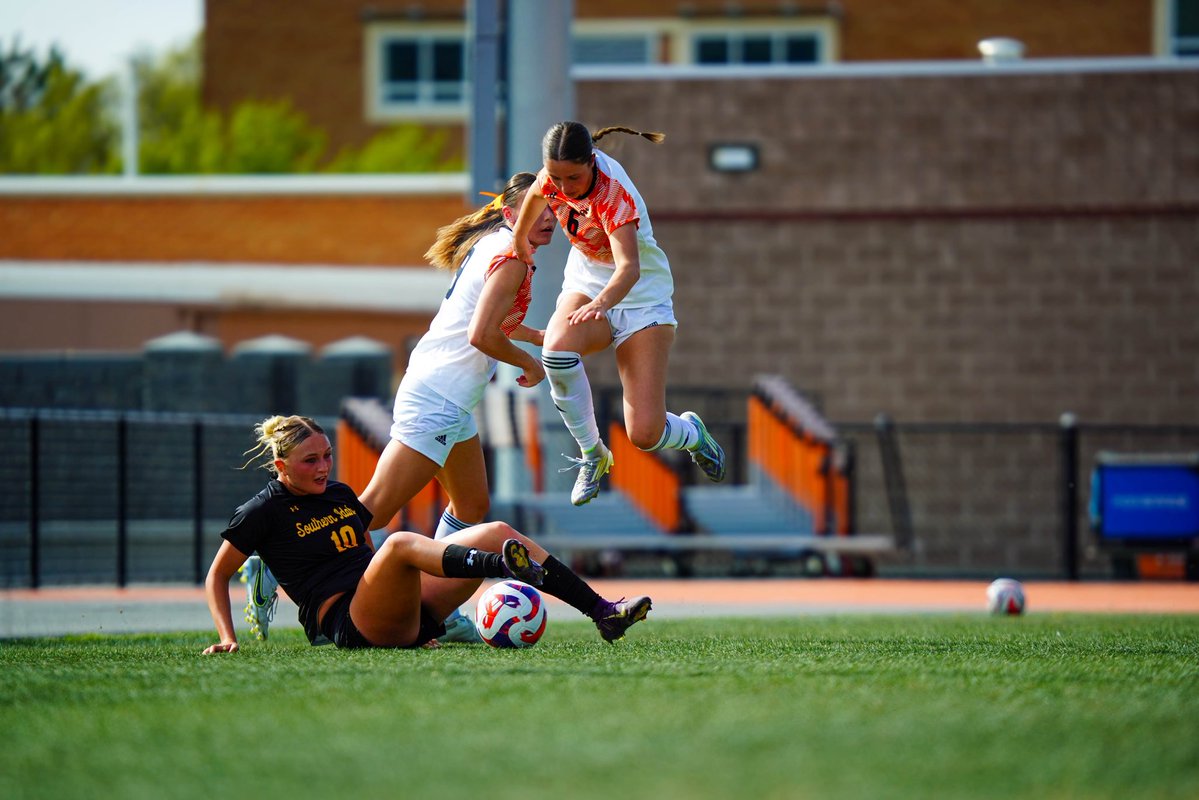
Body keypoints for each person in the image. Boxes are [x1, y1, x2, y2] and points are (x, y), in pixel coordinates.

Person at [203, 415, 651, 653]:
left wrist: (410, 622)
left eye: (326, 455)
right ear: (280, 466)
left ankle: (602, 612)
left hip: (393, 607)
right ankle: (502, 568)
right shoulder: (260, 511)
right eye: (309, 461)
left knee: (492, 529)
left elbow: (360, 553)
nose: (323, 467)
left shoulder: (336, 493)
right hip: (351, 623)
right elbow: (217, 575)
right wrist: (228, 637)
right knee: (398, 543)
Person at [512, 121, 727, 507]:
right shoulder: (555, 175)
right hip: (588, 284)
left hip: (641, 298)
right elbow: (535, 194)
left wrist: (601, 305)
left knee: (644, 434)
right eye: (556, 178)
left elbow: (629, 269)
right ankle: (593, 455)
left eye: (573, 178)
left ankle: (693, 434)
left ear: (592, 163)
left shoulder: (613, 196)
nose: (564, 188)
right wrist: (519, 242)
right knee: (557, 351)